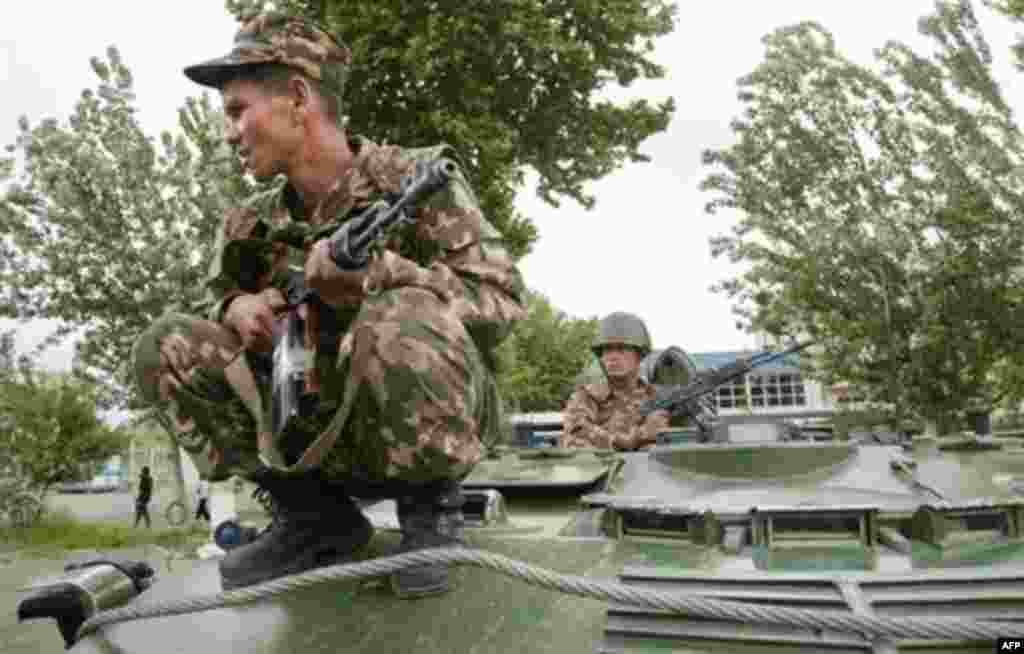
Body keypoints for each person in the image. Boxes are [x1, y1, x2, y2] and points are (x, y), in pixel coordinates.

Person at [130, 13, 525, 596]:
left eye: (238, 111)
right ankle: (316, 520)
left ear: (296, 97)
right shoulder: (249, 225)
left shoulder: (413, 181)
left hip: (427, 424)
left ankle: (430, 516)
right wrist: (237, 308)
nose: (228, 132)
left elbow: (501, 302)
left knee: (401, 310)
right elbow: (217, 312)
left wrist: (381, 277)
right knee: (166, 344)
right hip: (311, 433)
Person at [562, 312, 670, 450]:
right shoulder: (586, 396)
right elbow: (577, 441)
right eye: (607, 350)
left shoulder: (655, 397)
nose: (613, 357)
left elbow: (663, 446)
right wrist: (635, 438)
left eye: (621, 349)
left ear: (639, 354)